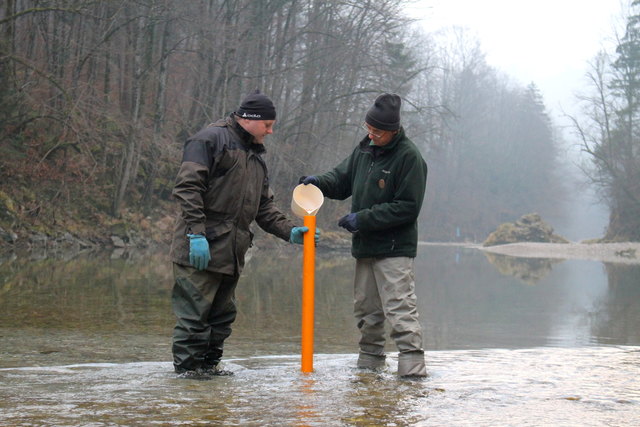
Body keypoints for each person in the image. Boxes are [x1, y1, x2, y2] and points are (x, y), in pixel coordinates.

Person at [169, 90, 318, 379]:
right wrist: (195, 235)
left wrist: (290, 232)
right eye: (268, 125)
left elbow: (263, 206)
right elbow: (188, 189)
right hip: (199, 248)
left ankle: (209, 371)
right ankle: (187, 378)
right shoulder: (209, 140)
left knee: (222, 318)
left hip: (232, 251)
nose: (271, 131)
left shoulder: (256, 157)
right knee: (193, 318)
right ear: (250, 120)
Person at [299, 93, 428, 378]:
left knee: (399, 306)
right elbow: (341, 179)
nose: (371, 135)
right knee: (366, 308)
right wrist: (318, 182)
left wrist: (363, 219)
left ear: (393, 131)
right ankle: (369, 364)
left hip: (395, 248)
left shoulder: (410, 157)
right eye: (368, 129)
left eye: (377, 132)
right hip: (366, 246)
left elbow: (407, 208)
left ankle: (412, 367)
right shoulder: (365, 149)